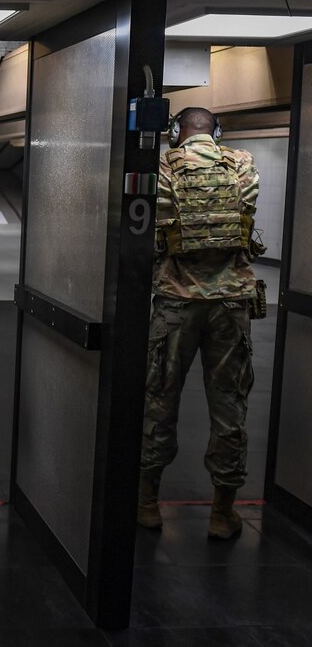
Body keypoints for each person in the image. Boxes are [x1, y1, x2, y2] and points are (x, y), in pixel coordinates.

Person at [138, 107, 262, 540]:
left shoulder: (162, 167)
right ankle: (222, 511)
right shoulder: (243, 165)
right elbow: (246, 214)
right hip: (231, 303)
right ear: (218, 132)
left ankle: (148, 502)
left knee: (159, 398)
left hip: (175, 300)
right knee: (229, 405)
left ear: (176, 132)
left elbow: (153, 223)